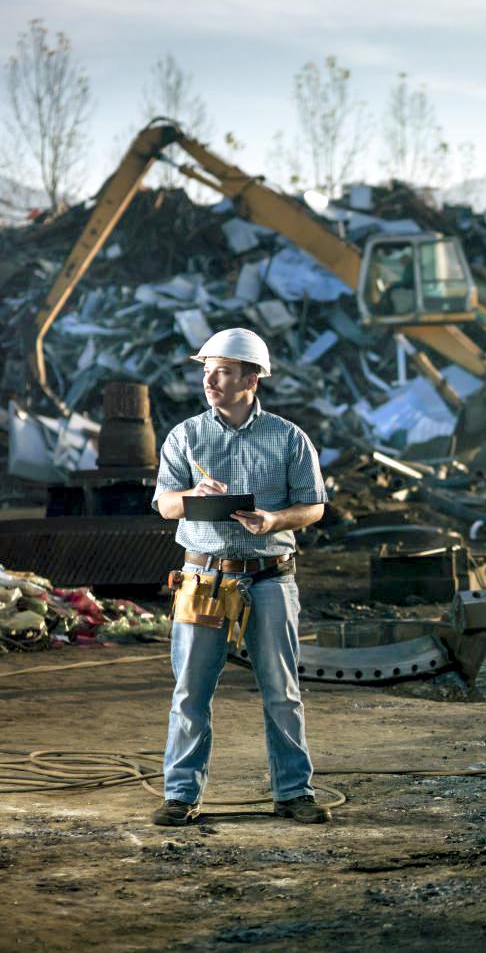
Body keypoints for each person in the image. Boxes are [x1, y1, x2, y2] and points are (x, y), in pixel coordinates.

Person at [151, 327, 328, 827]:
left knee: (282, 691)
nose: (210, 381)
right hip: (204, 578)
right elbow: (165, 505)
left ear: (252, 379)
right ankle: (181, 795)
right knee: (190, 691)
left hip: (270, 577)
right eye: (207, 371)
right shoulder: (186, 436)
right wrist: (193, 498)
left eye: (223, 372)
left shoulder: (288, 437)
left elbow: (313, 507)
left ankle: (294, 792)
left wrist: (273, 521)